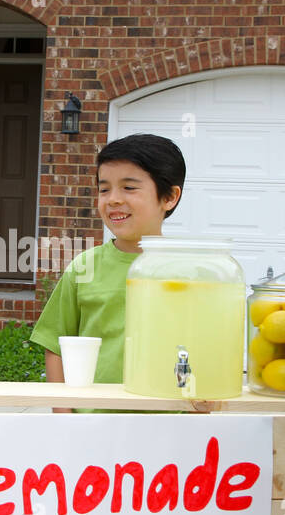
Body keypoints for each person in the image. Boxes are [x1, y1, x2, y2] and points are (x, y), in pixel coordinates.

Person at [30, 134, 186, 413]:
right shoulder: (84, 267)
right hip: (92, 425)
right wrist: (63, 415)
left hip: (169, 425)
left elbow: (204, 347)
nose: (113, 200)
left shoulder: (189, 272)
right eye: (104, 189)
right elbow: (55, 343)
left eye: (128, 187)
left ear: (169, 197)